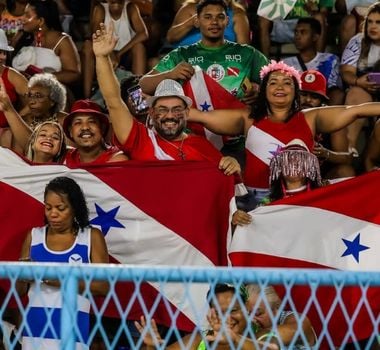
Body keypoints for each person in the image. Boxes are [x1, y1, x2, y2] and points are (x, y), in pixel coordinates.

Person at [188, 60, 380, 208]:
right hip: (254, 202)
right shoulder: (247, 117)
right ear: (264, 90)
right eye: (273, 82)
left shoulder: (311, 117)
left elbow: (356, 110)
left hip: (302, 198)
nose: (280, 87)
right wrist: (161, 110)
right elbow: (199, 116)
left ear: (295, 91)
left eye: (287, 83)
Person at [93, 24, 241, 176]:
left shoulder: (202, 146)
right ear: (151, 111)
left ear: (187, 112)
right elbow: (114, 101)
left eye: (176, 109)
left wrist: (232, 165)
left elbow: (226, 186)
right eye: (162, 109)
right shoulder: (140, 139)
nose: (169, 116)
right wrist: (102, 57)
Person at [16, 176, 109, 349]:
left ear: (74, 208)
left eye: (60, 208)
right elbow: (19, 291)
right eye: (48, 207)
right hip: (34, 331)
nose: (53, 213)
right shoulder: (34, 236)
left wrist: (57, 279)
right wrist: (23, 275)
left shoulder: (91, 236)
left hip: (73, 334)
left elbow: (103, 286)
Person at [140, 0, 268, 104]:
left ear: (227, 21)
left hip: (238, 128)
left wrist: (258, 91)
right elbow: (143, 85)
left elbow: (276, 79)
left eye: (220, 17)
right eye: (207, 17)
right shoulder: (180, 54)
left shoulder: (248, 53)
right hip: (191, 130)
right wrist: (171, 74)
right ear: (197, 21)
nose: (214, 22)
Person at [135, 283, 279, 349]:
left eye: (233, 310)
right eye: (219, 313)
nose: (227, 319)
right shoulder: (202, 337)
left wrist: (234, 339)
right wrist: (150, 347)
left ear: (246, 308)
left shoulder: (261, 333)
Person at [81, 0, 148, 98]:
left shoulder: (130, 8)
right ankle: (86, 98)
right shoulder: (101, 9)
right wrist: (110, 53)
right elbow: (95, 36)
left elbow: (143, 34)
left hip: (126, 54)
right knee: (87, 46)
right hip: (104, 53)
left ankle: (137, 97)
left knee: (139, 48)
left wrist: (119, 54)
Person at [299, 70, 355, 180]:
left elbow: (347, 158)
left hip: (323, 177)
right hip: (290, 174)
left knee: (345, 171)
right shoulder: (285, 114)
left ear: (322, 101)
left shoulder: (332, 119)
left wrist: (325, 153)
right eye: (303, 95)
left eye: (314, 97)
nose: (308, 100)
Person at [340, 2, 380, 158]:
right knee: (356, 93)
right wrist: (358, 82)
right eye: (370, 22)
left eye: (378, 22)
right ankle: (349, 149)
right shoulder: (357, 41)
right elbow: (346, 72)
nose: (373, 26)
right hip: (364, 89)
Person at [11, 0, 81, 87]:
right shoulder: (23, 38)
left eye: (28, 15)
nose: (22, 19)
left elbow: (74, 74)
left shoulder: (62, 40)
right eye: (23, 14)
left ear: (41, 21)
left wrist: (42, 77)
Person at [283, 17, 344, 105]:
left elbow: (334, 90)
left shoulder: (330, 60)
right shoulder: (286, 64)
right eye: (296, 32)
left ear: (315, 37)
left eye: (303, 32)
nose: (297, 36)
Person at [245, 284, 317, 349]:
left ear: (275, 308)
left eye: (258, 313)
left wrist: (238, 339)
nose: (251, 319)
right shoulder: (248, 327)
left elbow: (269, 337)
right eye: (247, 314)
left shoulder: (296, 320)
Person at [63, 99, 129, 166]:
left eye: (91, 121)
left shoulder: (117, 161)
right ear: (70, 131)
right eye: (78, 122)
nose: (85, 127)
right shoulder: (66, 160)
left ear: (102, 128)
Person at [257, 0, 331, 58]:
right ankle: (265, 63)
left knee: (320, 18)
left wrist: (314, 10)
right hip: (284, 25)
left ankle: (319, 61)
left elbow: (324, 13)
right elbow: (266, 8)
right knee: (263, 19)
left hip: (308, 27)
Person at [166, 0, 251, 48]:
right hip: (185, 59)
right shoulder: (189, 8)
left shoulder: (238, 14)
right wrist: (191, 22)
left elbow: (244, 49)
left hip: (221, 61)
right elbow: (171, 38)